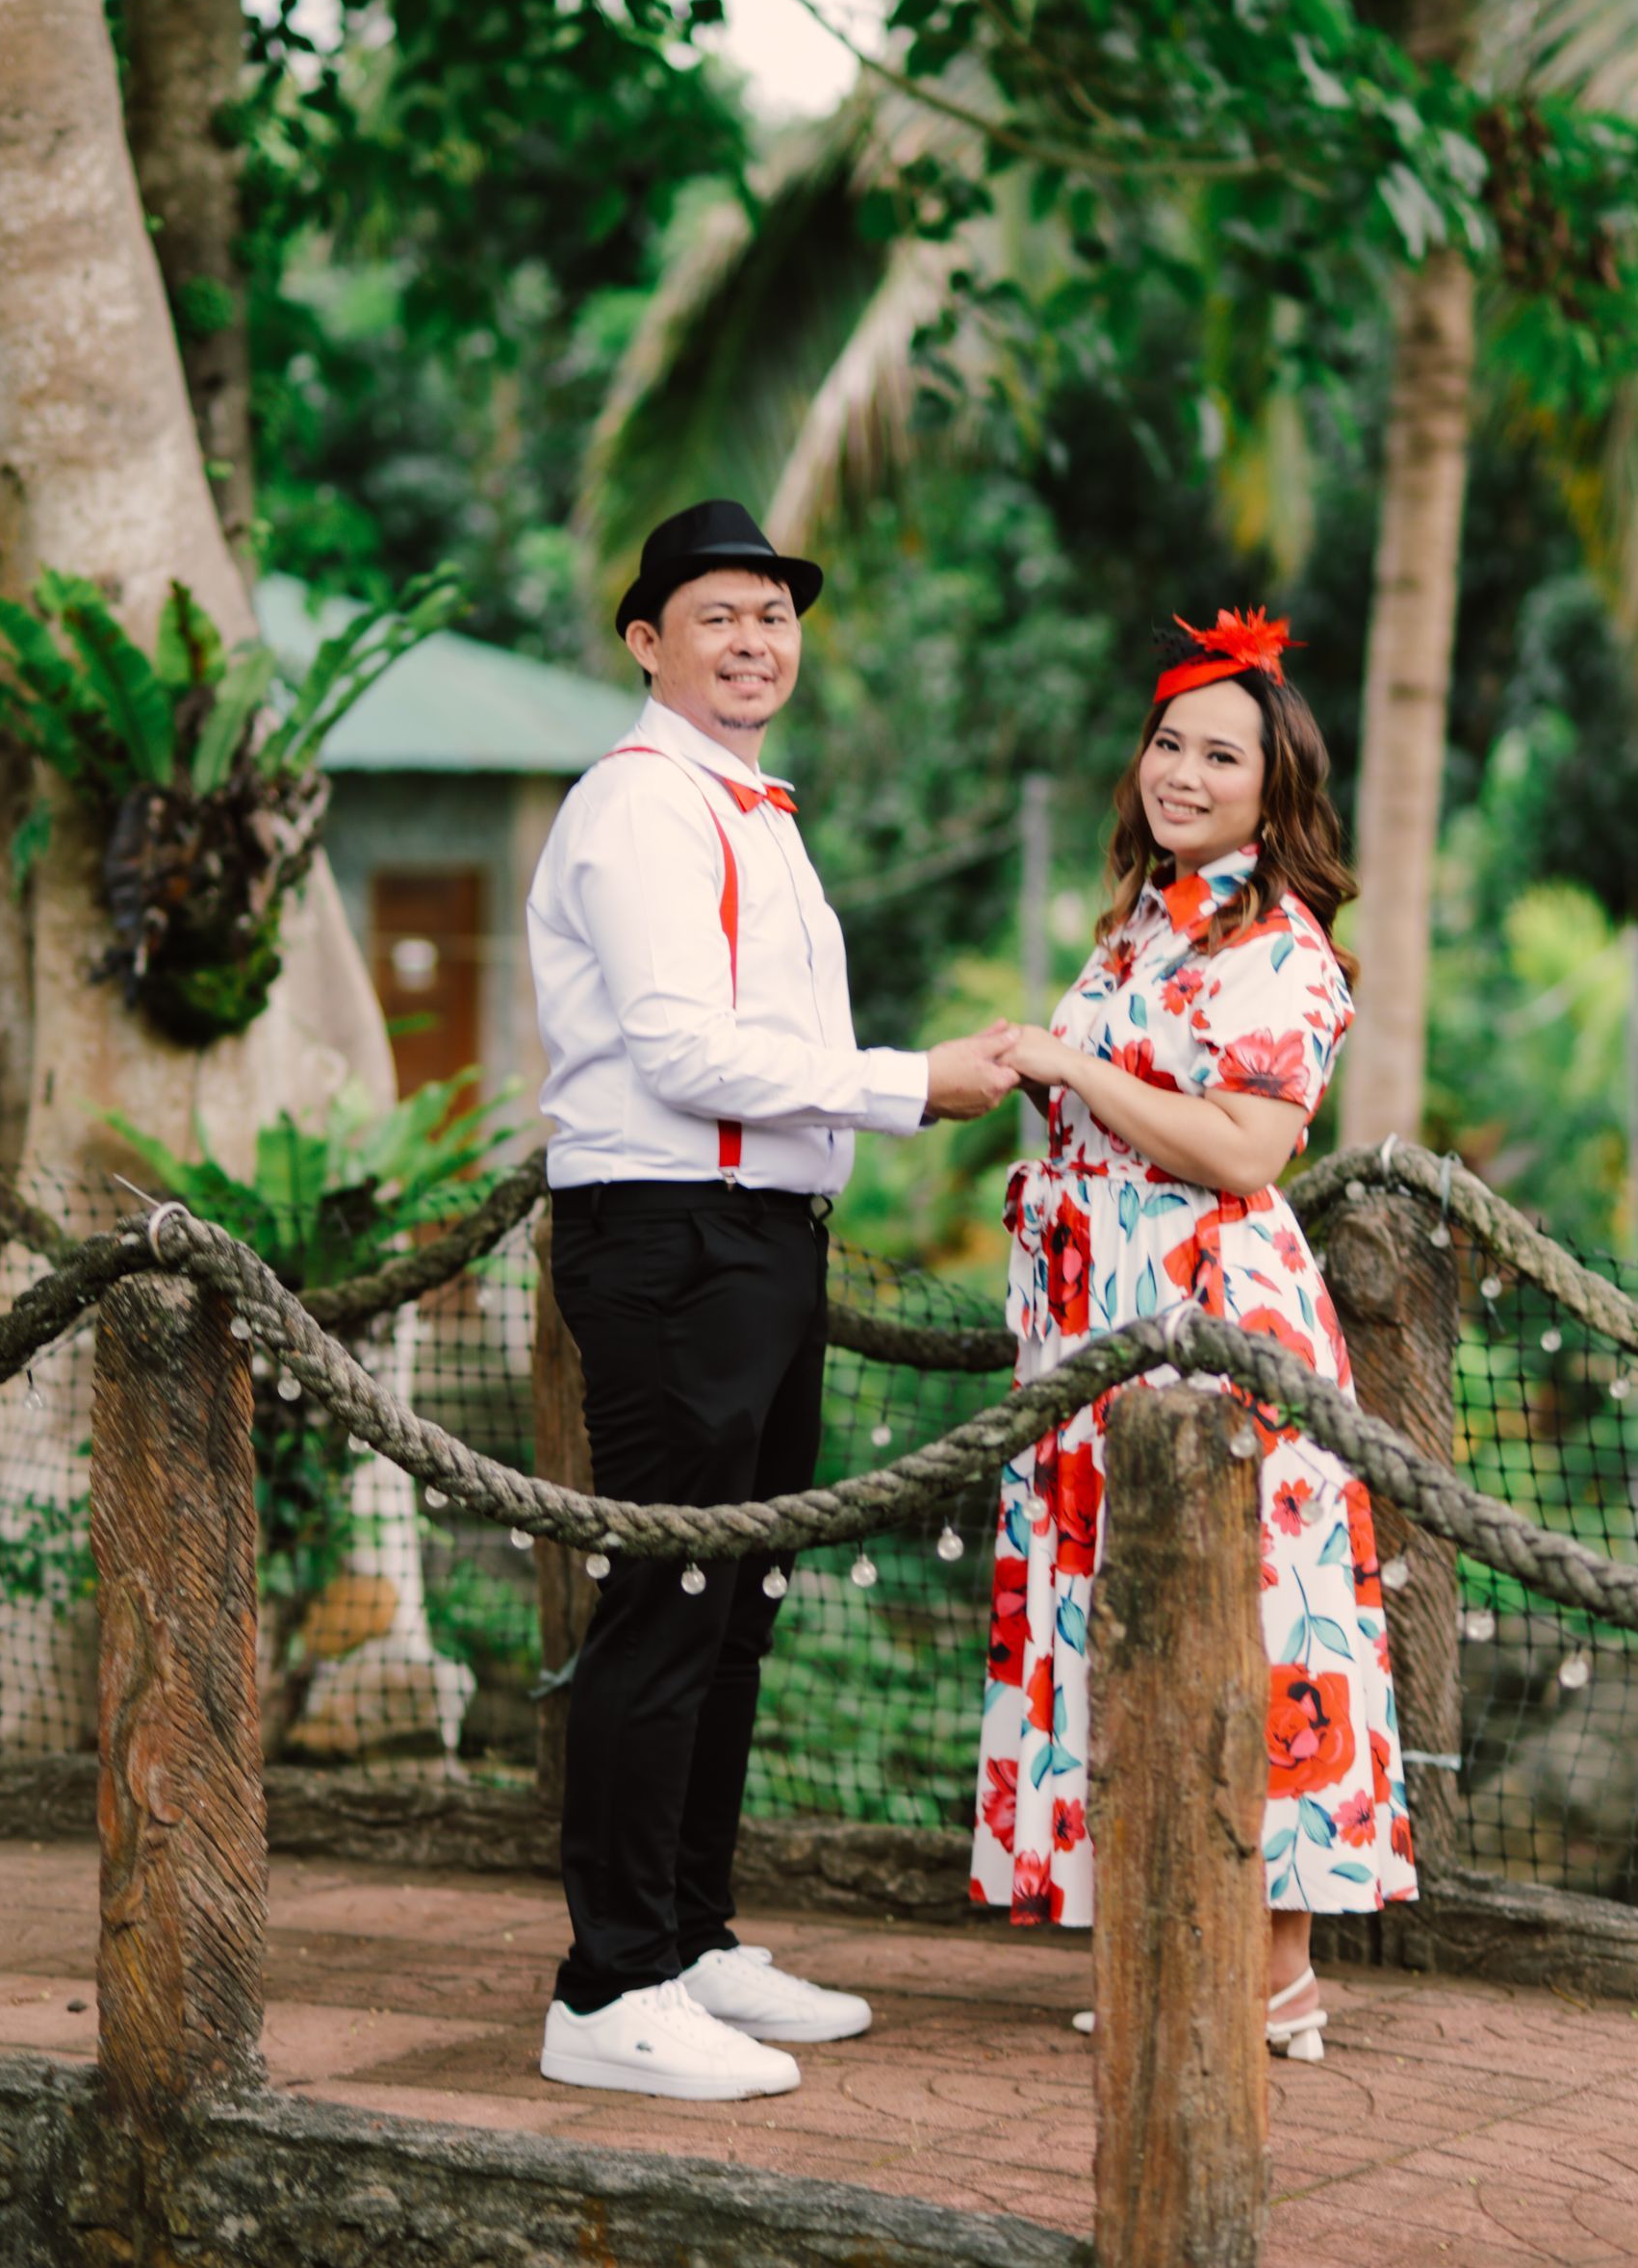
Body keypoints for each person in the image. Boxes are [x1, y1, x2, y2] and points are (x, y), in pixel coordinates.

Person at [527, 497, 1018, 2103]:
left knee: (736, 1602)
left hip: (761, 1239)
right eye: (717, 616)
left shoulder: (752, 808)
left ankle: (686, 1939)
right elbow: (681, 1052)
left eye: (775, 615)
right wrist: (912, 1084)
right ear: (646, 642)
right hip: (670, 1237)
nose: (754, 641)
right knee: (668, 1597)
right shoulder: (640, 806)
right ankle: (607, 1987)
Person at [971, 605, 1417, 2062]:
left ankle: (1274, 1972)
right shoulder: (1145, 923)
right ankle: (1176, 1941)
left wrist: (1071, 1065)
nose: (1182, 772)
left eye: (1221, 756)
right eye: (1169, 743)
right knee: (1131, 1622)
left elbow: (1243, 1151)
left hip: (1207, 1318)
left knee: (1252, 1620)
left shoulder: (1282, 949)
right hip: (1094, 1314)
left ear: (1275, 792)